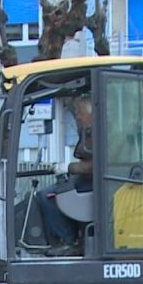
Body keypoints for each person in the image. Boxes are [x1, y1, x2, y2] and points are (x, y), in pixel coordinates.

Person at [36, 95, 94, 256]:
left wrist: (68, 167)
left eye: (79, 113)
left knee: (47, 196)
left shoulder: (98, 133)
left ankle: (68, 241)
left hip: (95, 184)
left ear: (91, 112)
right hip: (87, 181)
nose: (77, 116)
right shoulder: (87, 132)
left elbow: (95, 165)